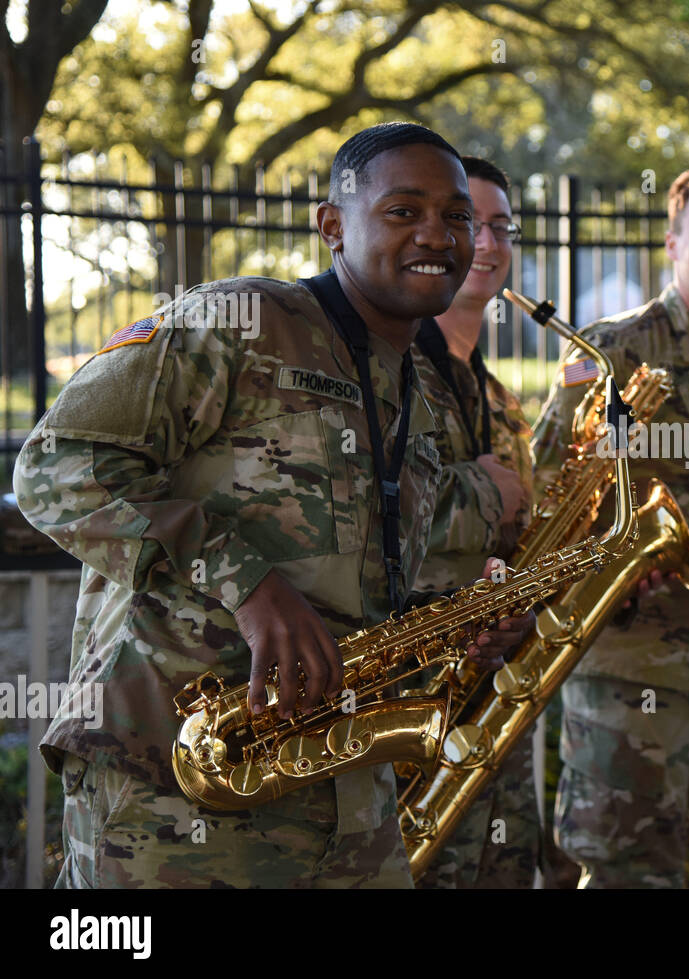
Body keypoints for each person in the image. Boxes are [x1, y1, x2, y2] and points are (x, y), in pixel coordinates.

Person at [13, 122, 531, 888]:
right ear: (332, 225)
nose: (440, 234)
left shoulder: (412, 388)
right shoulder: (238, 322)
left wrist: (459, 627)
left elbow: (359, 587)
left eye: (457, 216)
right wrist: (247, 584)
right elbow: (55, 468)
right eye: (403, 210)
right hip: (177, 782)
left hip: (345, 792)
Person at [531, 164, 689, 888]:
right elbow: (545, 496)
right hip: (626, 675)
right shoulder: (612, 355)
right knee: (623, 873)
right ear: (673, 242)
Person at [409, 156, 540, 888]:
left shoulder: (502, 401)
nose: (484, 243)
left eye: (499, 226)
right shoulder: (386, 372)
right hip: (415, 706)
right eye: (468, 221)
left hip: (492, 712)